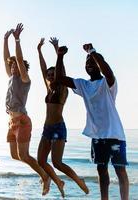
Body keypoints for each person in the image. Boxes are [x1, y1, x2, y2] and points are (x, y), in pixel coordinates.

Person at [55, 44, 129, 200]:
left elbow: (108, 72)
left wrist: (92, 52)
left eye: (92, 62)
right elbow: (60, 79)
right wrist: (60, 56)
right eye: (87, 62)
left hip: (115, 134)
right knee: (102, 171)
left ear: (98, 62)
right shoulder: (84, 85)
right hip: (97, 136)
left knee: (120, 170)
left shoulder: (108, 83)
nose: (89, 64)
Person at [36, 37, 89, 198]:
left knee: (57, 162)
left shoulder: (62, 89)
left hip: (58, 127)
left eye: (53, 74)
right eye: (49, 75)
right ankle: (58, 181)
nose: (51, 76)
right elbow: (42, 68)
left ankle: (79, 181)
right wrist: (39, 51)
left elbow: (62, 71)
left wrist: (58, 51)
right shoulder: (49, 88)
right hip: (47, 129)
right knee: (41, 161)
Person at [3, 23, 50, 195]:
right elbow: (6, 59)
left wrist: (17, 40)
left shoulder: (24, 79)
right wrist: (5, 40)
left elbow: (20, 62)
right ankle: (43, 173)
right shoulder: (11, 77)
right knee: (15, 156)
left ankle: (45, 177)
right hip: (11, 122)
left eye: (16, 65)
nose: (13, 67)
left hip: (22, 121)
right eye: (12, 65)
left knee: (24, 156)